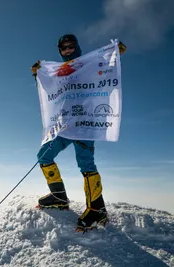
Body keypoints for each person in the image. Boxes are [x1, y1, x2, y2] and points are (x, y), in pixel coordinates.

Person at [31, 34, 126, 232]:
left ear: (77, 46)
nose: (67, 50)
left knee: (85, 163)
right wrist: (39, 74)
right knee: (44, 155)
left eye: (70, 46)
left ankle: (97, 209)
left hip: (85, 122)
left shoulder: (88, 64)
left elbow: (105, 68)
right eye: (63, 48)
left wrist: (115, 55)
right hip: (65, 125)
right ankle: (58, 197)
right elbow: (50, 89)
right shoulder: (60, 72)